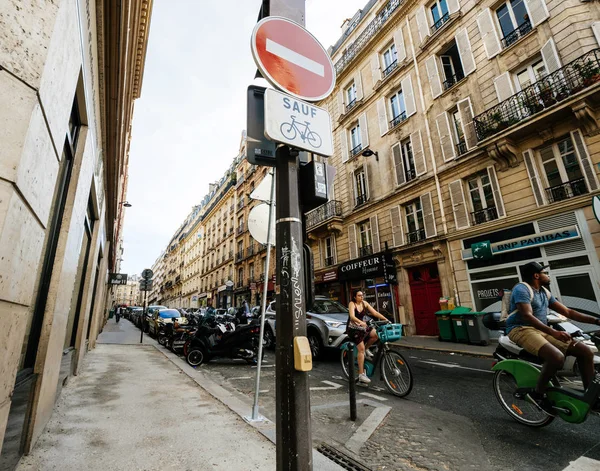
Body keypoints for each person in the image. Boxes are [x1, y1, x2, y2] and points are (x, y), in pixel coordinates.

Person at [506, 261, 600, 411]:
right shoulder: (521, 289)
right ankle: (537, 393)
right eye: (545, 273)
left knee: (585, 351)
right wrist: (553, 332)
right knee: (556, 357)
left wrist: (596, 320)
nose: (548, 275)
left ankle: (591, 398)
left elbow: (568, 312)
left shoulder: (544, 292)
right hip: (521, 329)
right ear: (536, 275)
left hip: (541, 330)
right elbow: (527, 316)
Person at [347, 290, 389, 384]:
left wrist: (385, 319)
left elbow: (375, 313)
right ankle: (361, 374)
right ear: (354, 297)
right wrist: (361, 322)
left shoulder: (364, 303)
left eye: (362, 295)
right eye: (359, 295)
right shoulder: (352, 304)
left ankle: (366, 349)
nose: (361, 297)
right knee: (360, 349)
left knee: (376, 335)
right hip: (353, 329)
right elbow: (352, 316)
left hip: (363, 327)